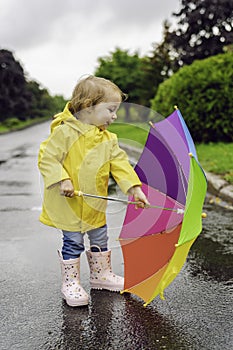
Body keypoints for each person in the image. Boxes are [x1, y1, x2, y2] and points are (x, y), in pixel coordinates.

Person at [38, 75, 149, 307]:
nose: (114, 116)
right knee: (74, 241)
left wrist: (134, 187)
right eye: (110, 109)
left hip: (95, 204)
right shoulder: (65, 133)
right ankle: (71, 283)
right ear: (88, 106)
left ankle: (101, 275)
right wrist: (62, 179)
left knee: (100, 236)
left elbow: (120, 164)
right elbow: (47, 158)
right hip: (69, 204)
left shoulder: (108, 139)